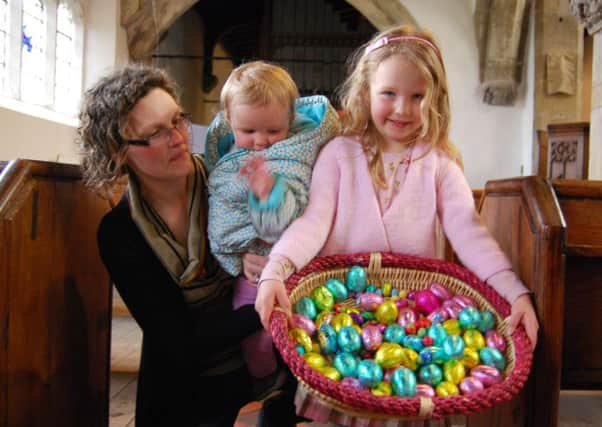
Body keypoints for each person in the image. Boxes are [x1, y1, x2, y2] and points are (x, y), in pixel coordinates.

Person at [255, 25, 540, 423]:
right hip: (343, 320)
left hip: (413, 334)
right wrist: (275, 271)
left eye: (417, 96)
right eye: (389, 94)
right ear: (366, 90)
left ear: (434, 100)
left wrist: (516, 293)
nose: (403, 109)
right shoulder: (339, 154)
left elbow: (471, 235)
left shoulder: (440, 165)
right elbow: (312, 223)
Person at [77, 64, 284, 427]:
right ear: (118, 151)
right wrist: (271, 301)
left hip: (269, 363)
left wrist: (273, 255)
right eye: (156, 132)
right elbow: (180, 343)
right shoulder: (120, 232)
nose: (178, 137)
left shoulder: (231, 181)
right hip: (188, 386)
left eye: (177, 120)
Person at [205, 60, 340, 383]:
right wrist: (235, 258)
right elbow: (220, 210)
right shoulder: (223, 156)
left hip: (293, 265)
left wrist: (269, 196)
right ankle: (265, 384)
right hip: (248, 272)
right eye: (248, 131)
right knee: (252, 337)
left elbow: (287, 221)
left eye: (273, 130)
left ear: (291, 121)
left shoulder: (293, 154)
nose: (261, 142)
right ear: (228, 121)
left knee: (293, 335)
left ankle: (288, 384)